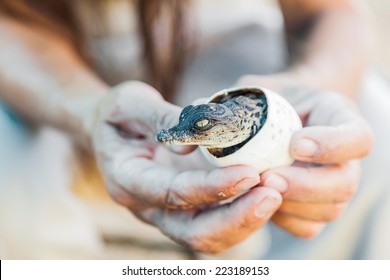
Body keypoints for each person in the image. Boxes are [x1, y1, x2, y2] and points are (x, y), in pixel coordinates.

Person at [0, 0, 388, 259]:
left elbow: (332, 10)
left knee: (375, 122)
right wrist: (88, 109)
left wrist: (313, 85)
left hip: (222, 46)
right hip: (39, 62)